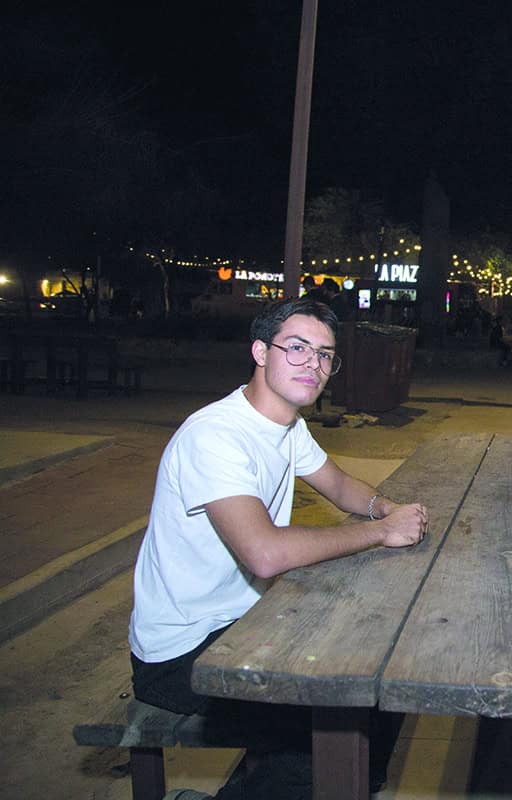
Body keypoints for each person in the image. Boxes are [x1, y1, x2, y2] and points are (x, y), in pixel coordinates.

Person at [129, 298, 429, 800]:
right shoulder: (216, 436)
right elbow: (264, 554)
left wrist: (390, 509)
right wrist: (380, 533)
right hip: (181, 654)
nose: (312, 364)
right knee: (333, 732)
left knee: (380, 680)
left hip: (243, 622)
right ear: (260, 352)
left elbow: (337, 484)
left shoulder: (288, 426)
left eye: (324, 355)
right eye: (297, 348)